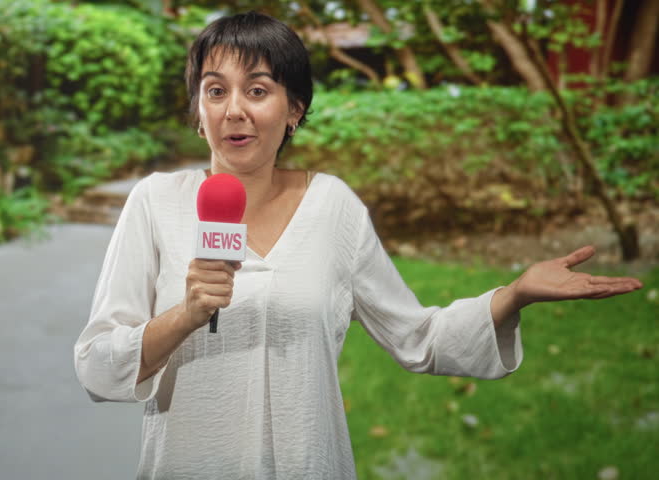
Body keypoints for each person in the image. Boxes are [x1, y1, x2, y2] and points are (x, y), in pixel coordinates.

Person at [74, 11, 643, 479]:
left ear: (293, 109)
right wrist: (186, 314)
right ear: (199, 113)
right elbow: (97, 365)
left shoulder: (333, 207)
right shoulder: (154, 202)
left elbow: (417, 336)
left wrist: (513, 295)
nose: (235, 110)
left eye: (258, 90)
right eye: (215, 90)